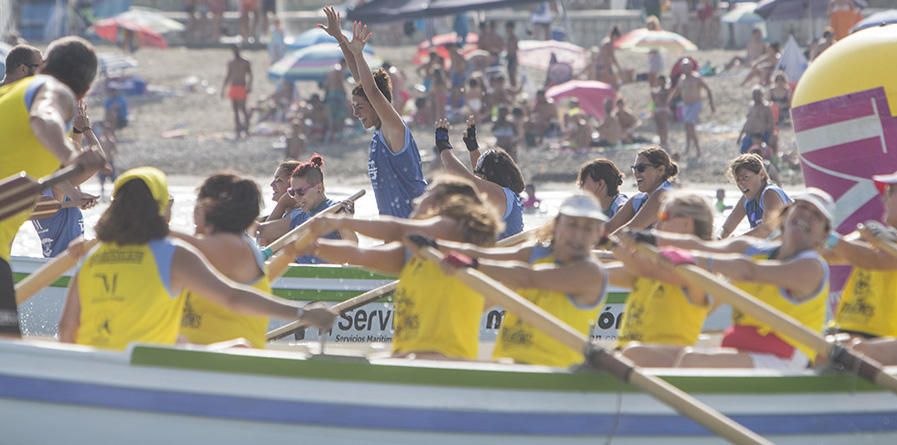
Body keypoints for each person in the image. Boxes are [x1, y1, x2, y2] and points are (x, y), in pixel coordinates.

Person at [58, 167, 337, 350]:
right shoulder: (172, 252)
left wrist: (119, 232)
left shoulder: (229, 247)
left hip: (226, 364)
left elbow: (232, 296)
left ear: (205, 210)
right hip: (188, 360)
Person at [296, 176, 502, 360]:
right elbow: (359, 255)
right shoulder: (416, 255)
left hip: (445, 359)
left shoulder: (452, 230)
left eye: (426, 195)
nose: (416, 201)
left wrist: (340, 221)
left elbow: (397, 229)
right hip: (409, 356)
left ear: (442, 205)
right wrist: (312, 248)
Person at [645, 188, 833, 370]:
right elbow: (700, 246)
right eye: (802, 208)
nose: (806, 216)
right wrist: (649, 239)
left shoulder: (812, 267)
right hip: (747, 349)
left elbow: (748, 271)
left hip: (787, 360)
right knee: (641, 354)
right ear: (785, 215)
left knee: (691, 360)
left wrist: (692, 259)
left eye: (816, 215)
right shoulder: (750, 248)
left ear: (824, 234)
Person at [0, 36, 106, 338]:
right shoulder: (51, 90)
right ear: (85, 90)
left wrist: (73, 185)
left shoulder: (9, 96)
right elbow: (43, 116)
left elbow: (60, 183)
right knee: (7, 360)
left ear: (44, 64)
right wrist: (72, 155)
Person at [435, 193, 608, 367]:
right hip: (509, 362)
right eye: (572, 225)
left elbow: (529, 278)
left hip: (554, 371)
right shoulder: (535, 252)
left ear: (599, 233)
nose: (578, 235)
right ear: (556, 225)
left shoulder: (590, 272)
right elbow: (486, 254)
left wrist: (472, 264)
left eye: (588, 228)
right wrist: (435, 246)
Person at [320, 9, 426, 218]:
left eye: (359, 107)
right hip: (393, 231)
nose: (355, 112)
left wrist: (359, 53)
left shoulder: (394, 128)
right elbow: (362, 81)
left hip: (415, 230)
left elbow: (372, 91)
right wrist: (339, 38)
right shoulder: (380, 133)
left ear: (376, 105)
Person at [610, 193, 715, 367]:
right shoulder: (648, 266)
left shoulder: (698, 269)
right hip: (630, 361)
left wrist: (609, 241)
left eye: (663, 217)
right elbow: (599, 274)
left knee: (634, 353)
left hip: (668, 367)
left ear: (686, 223)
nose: (657, 225)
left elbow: (643, 269)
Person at [176, 173, 272, 348]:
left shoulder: (234, 247)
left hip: (234, 363)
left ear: (207, 208)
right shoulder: (207, 244)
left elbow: (169, 242)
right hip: (198, 359)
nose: (194, 212)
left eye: (197, 206)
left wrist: (134, 225)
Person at [824, 171, 897, 364]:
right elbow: (830, 254)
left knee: (851, 350)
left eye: (890, 191)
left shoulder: (874, 236)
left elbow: (874, 260)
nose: (883, 197)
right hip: (844, 329)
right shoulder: (872, 233)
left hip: (884, 337)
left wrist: (827, 237)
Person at [437, 116, 525, 240]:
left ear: (489, 175)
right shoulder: (507, 193)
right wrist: (473, 147)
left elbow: (464, 178)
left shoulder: (500, 194)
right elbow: (479, 174)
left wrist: (443, 145)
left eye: (480, 174)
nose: (477, 175)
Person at [256, 154, 356, 261]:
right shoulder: (299, 215)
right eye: (292, 192)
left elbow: (353, 247)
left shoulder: (335, 210)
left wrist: (345, 222)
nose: (297, 197)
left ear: (319, 187)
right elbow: (261, 232)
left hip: (325, 274)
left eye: (300, 191)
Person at [605, 146, 678, 235]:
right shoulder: (638, 199)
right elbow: (609, 227)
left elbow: (631, 229)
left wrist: (602, 243)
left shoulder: (664, 196)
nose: (636, 173)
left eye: (641, 168)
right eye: (634, 169)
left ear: (660, 170)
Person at [720, 154, 791, 239]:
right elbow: (726, 229)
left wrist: (734, 241)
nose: (741, 184)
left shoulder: (770, 193)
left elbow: (767, 230)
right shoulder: (745, 200)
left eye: (745, 177)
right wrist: (717, 239)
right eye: (738, 180)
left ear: (761, 174)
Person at [668, 59, 715, 157]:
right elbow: (677, 90)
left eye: (688, 67)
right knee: (687, 126)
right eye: (684, 67)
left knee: (690, 125)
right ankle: (688, 147)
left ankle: (697, 149)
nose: (686, 69)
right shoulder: (682, 78)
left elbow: (708, 89)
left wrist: (711, 104)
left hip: (695, 104)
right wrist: (670, 100)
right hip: (686, 105)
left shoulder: (696, 77)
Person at [222, 45, 253, 139]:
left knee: (242, 108)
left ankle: (246, 127)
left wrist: (249, 86)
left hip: (241, 86)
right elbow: (228, 76)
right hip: (234, 87)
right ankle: (238, 128)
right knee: (235, 109)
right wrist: (223, 88)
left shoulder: (245, 62)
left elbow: (250, 75)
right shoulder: (231, 63)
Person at [737, 87, 775, 154]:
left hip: (762, 135)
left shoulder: (766, 107)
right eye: (754, 94)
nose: (756, 96)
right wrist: (740, 135)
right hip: (749, 134)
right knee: (743, 151)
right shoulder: (751, 106)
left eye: (758, 94)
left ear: (762, 95)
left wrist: (767, 133)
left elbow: (771, 123)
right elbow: (747, 122)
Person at [323, 63, 347, 141]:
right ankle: (339, 136)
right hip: (338, 95)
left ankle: (331, 136)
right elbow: (340, 83)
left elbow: (326, 85)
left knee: (331, 117)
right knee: (340, 116)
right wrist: (345, 93)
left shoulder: (330, 71)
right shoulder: (339, 69)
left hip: (330, 95)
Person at [652, 75, 672, 148]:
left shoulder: (666, 90)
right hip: (657, 109)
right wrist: (652, 109)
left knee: (664, 125)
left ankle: (665, 140)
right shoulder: (656, 90)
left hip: (663, 109)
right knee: (659, 126)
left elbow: (666, 99)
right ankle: (661, 140)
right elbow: (653, 102)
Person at [505, 21, 519, 87]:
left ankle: (514, 88)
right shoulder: (508, 37)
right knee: (510, 75)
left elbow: (515, 49)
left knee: (512, 75)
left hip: (513, 58)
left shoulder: (514, 38)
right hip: (509, 58)